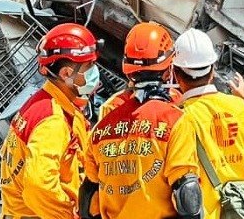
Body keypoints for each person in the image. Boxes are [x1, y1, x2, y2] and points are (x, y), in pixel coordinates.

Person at [80, 22, 204, 219]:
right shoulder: (174, 120)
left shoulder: (101, 128)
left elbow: (89, 195)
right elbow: (186, 190)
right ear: (168, 69)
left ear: (128, 70)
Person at [172, 28, 244, 219]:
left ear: (176, 73)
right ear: (212, 69)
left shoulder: (177, 118)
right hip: (242, 210)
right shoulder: (241, 107)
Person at [0, 22, 101, 219]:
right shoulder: (53, 120)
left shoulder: (43, 104)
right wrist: (67, 216)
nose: (94, 72)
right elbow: (39, 185)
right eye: (89, 66)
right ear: (66, 74)